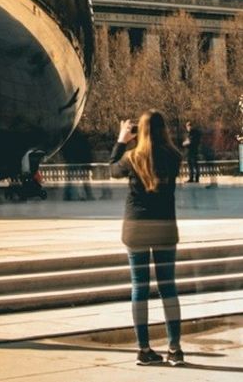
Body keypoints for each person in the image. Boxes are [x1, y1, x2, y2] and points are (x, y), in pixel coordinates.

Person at [110, 111, 184, 367]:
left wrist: (121, 140)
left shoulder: (131, 157)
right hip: (163, 227)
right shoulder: (174, 156)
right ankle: (175, 349)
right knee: (168, 288)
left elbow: (112, 170)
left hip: (137, 228)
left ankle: (144, 349)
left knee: (139, 287)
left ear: (139, 131)